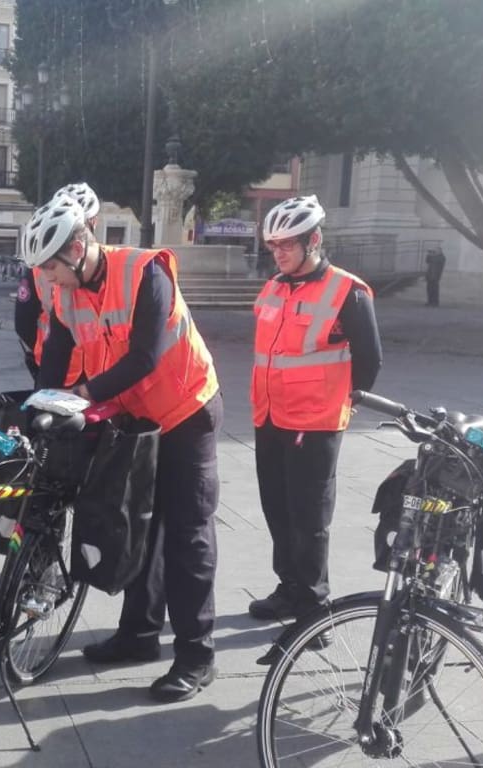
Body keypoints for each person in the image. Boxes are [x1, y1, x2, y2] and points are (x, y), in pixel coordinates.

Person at [24, 193, 223, 703]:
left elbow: (146, 357)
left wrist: (84, 397)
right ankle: (138, 634)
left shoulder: (144, 272)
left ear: (77, 246)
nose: (47, 277)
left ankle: (196, 656)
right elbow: (59, 355)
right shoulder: (64, 293)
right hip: (137, 415)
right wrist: (40, 407)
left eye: (50, 265)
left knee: (186, 534)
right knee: (139, 526)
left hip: (186, 410)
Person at [248, 195, 383, 636]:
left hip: (315, 422)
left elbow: (370, 360)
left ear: (315, 240)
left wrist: (339, 401)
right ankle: (289, 586)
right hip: (269, 417)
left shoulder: (348, 292)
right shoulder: (273, 287)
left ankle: (313, 608)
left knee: (310, 518)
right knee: (278, 509)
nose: (279, 252)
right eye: (274, 246)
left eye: (288, 244)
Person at [14, 182, 101, 386]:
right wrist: (44, 351)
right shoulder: (38, 268)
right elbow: (23, 320)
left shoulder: (104, 265)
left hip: (95, 373)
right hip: (62, 367)